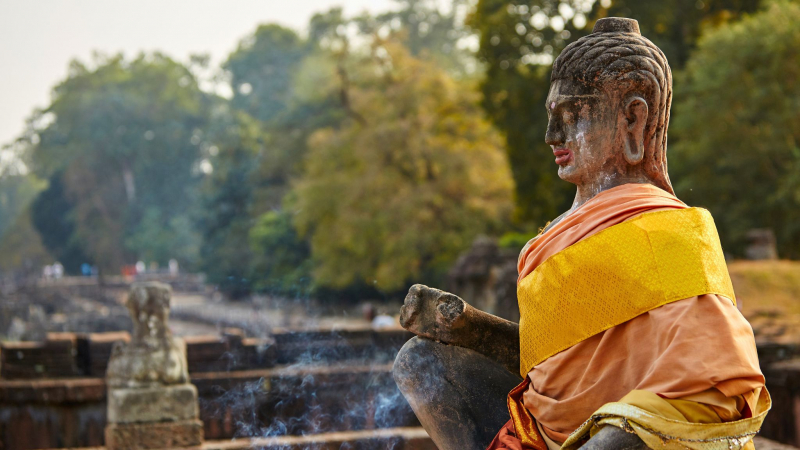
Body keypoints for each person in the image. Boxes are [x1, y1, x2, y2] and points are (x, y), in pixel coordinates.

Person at [393, 18, 768, 450]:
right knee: (419, 362)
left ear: (633, 118)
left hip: (634, 435)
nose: (552, 136)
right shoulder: (550, 238)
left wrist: (611, 431)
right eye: (551, 116)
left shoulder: (673, 232)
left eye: (571, 115)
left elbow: (710, 387)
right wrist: (466, 328)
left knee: (623, 433)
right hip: (543, 430)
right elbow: (552, 373)